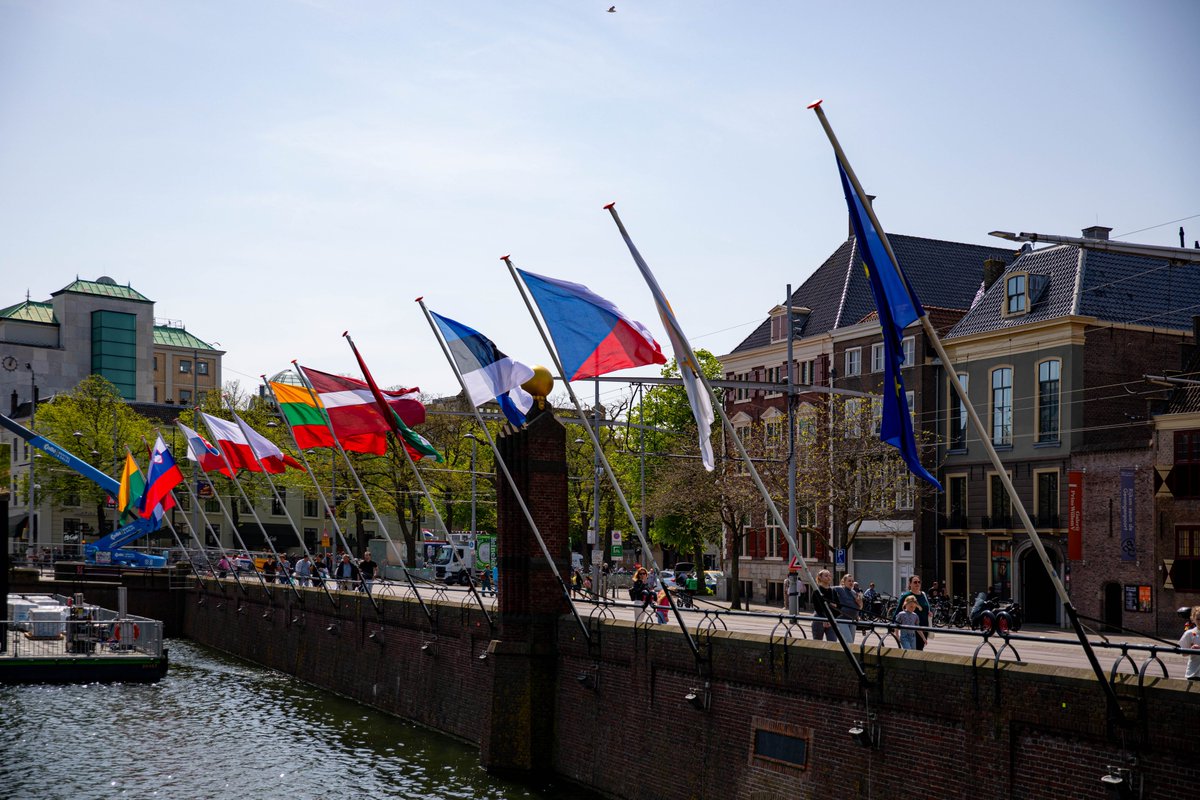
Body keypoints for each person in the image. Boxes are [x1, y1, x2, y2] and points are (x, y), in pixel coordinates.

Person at [895, 575, 932, 650]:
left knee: (920, 649)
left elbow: (927, 607)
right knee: (912, 651)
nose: (917, 584)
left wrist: (930, 612)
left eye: (919, 582)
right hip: (911, 629)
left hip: (924, 627)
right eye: (915, 582)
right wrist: (893, 629)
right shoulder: (906, 596)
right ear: (910, 584)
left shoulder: (923, 595)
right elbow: (898, 611)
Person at [833, 573, 863, 643]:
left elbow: (860, 607)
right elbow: (827, 589)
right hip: (842, 619)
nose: (851, 583)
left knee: (851, 642)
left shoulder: (854, 592)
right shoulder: (839, 589)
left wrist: (860, 603)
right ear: (844, 582)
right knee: (848, 641)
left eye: (852, 581)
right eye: (849, 581)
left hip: (853, 620)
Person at [811, 569, 838, 642]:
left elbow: (838, 606)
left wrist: (833, 618)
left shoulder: (833, 591)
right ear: (820, 578)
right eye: (826, 576)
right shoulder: (817, 591)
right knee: (817, 642)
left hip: (831, 619)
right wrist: (823, 619)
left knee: (833, 643)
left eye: (830, 575)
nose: (829, 577)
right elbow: (817, 607)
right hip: (819, 619)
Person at [1180, 606, 1200, 681]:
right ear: (1193, 619)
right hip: (1193, 672)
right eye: (1198, 619)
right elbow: (1183, 653)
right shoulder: (1189, 634)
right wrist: (1191, 649)